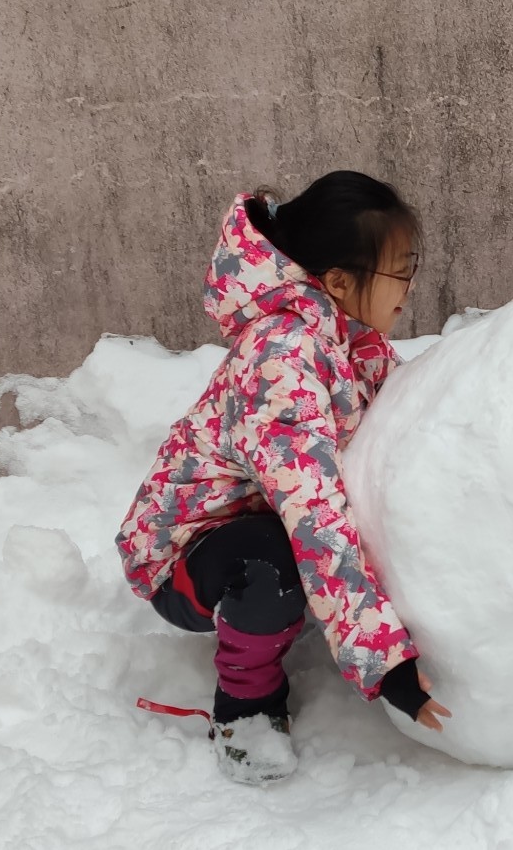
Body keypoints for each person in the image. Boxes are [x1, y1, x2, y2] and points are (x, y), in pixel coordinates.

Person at [117, 172, 450, 782]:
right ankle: (245, 706)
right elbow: (316, 518)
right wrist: (383, 661)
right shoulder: (282, 361)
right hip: (186, 560)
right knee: (275, 558)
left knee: (286, 545)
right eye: (400, 269)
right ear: (341, 281)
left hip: (258, 518)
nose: (411, 284)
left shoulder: (353, 340)